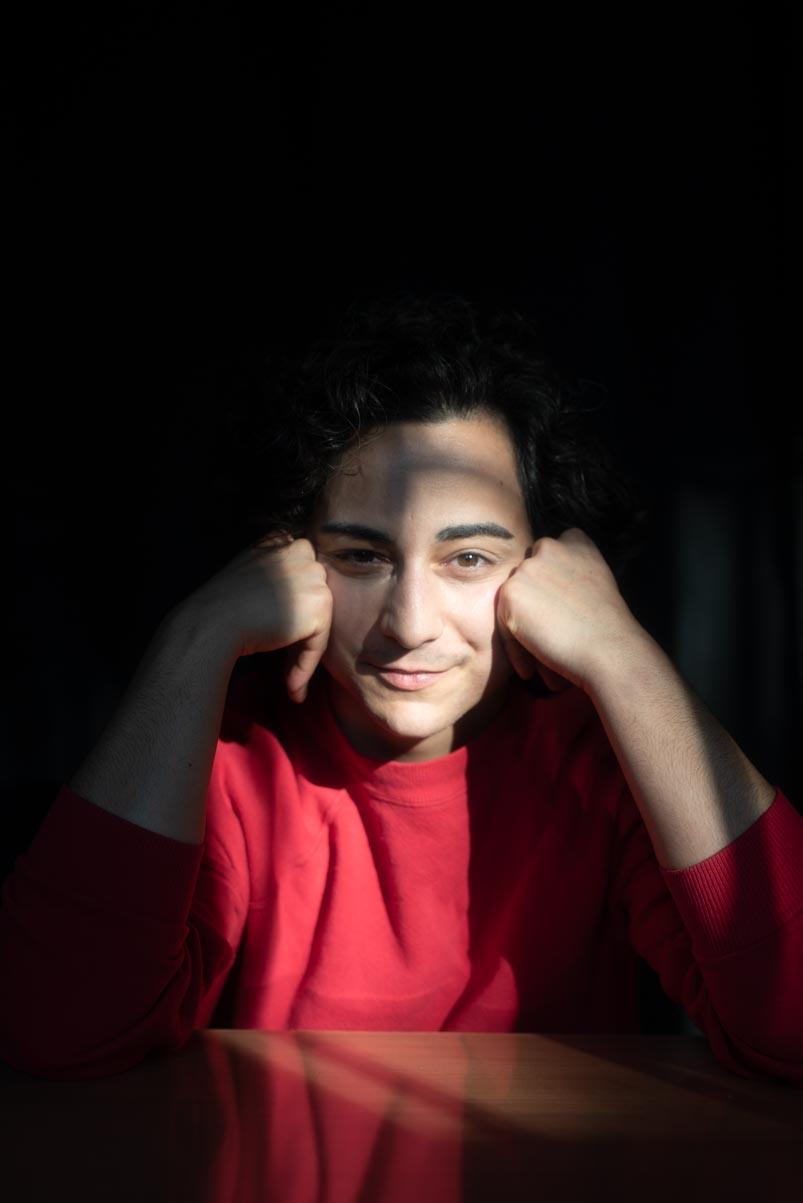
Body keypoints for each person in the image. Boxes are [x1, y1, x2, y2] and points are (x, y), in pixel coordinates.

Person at [0, 290, 801, 1083]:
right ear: (289, 563)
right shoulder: (229, 757)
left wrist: (623, 655)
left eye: (469, 559)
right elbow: (62, 1029)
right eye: (361, 556)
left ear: (547, 572)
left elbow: (789, 1028)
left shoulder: (602, 763)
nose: (409, 623)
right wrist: (195, 636)